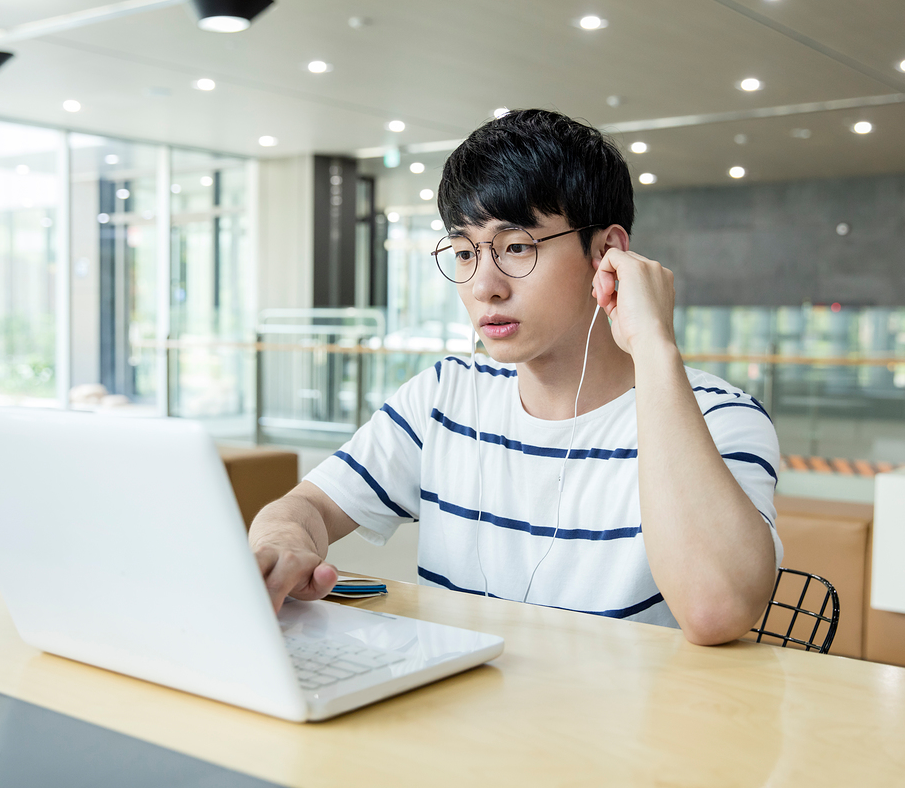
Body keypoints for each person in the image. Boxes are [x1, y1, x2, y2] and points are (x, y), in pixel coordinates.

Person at [248, 109, 781, 646]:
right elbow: (308, 508)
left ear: (606, 253)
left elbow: (716, 609)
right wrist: (281, 541)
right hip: (454, 694)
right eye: (464, 252)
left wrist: (655, 348)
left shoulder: (717, 416)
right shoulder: (444, 396)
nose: (485, 286)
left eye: (517, 247)